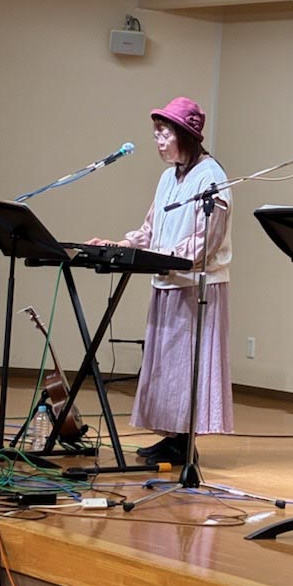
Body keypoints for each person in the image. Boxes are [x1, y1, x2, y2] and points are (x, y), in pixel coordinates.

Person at [88, 96, 233, 466]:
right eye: (156, 134)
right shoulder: (168, 177)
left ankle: (185, 442)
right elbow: (151, 228)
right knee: (166, 367)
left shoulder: (212, 177)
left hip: (195, 286)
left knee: (186, 367)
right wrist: (122, 246)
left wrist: (167, 258)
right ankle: (173, 439)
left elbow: (207, 239)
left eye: (164, 133)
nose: (158, 141)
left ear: (186, 135)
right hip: (167, 282)